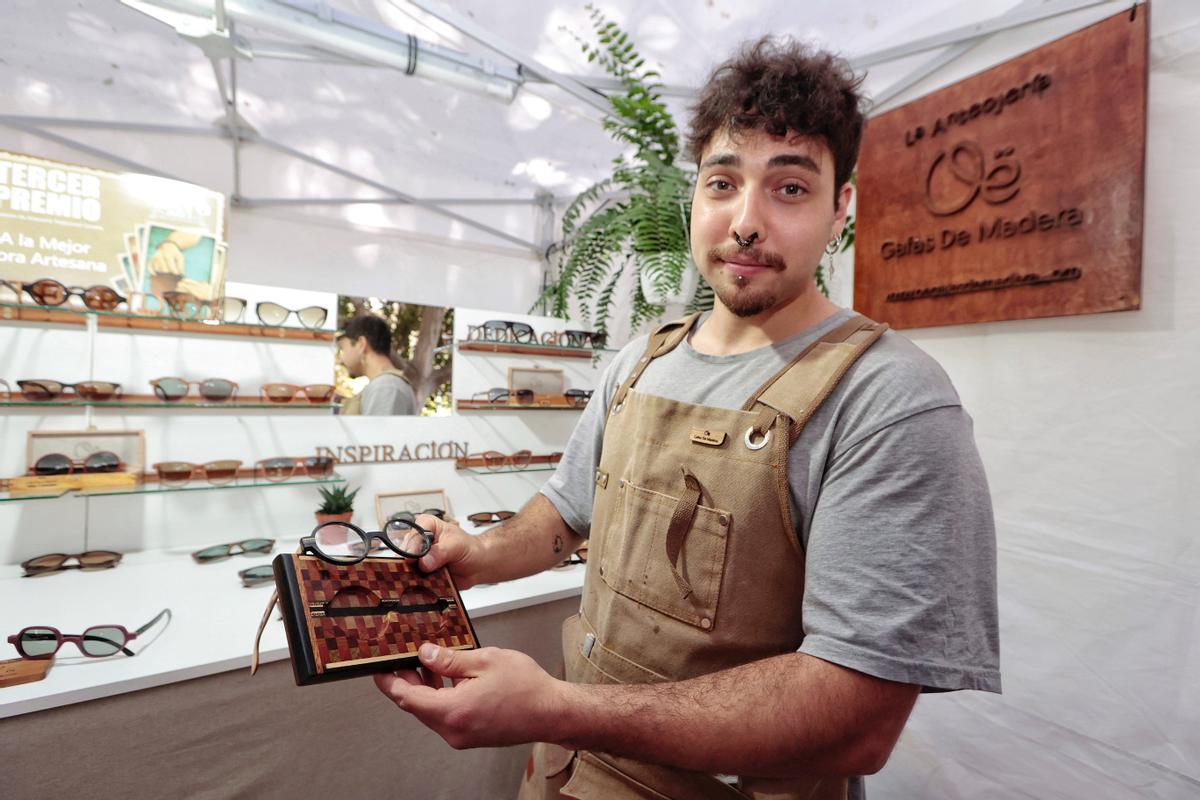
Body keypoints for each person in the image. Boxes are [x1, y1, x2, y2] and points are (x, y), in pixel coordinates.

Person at [374, 37, 1000, 800]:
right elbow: (568, 513)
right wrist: (477, 555)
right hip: (568, 775)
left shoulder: (888, 402)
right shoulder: (639, 362)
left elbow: (855, 719)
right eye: (723, 182)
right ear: (693, 197)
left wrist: (561, 706)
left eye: (790, 188)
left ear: (842, 209)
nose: (746, 221)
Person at [336, 313, 418, 416]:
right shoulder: (384, 386)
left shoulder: (386, 387)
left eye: (342, 348)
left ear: (361, 344)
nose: (340, 360)